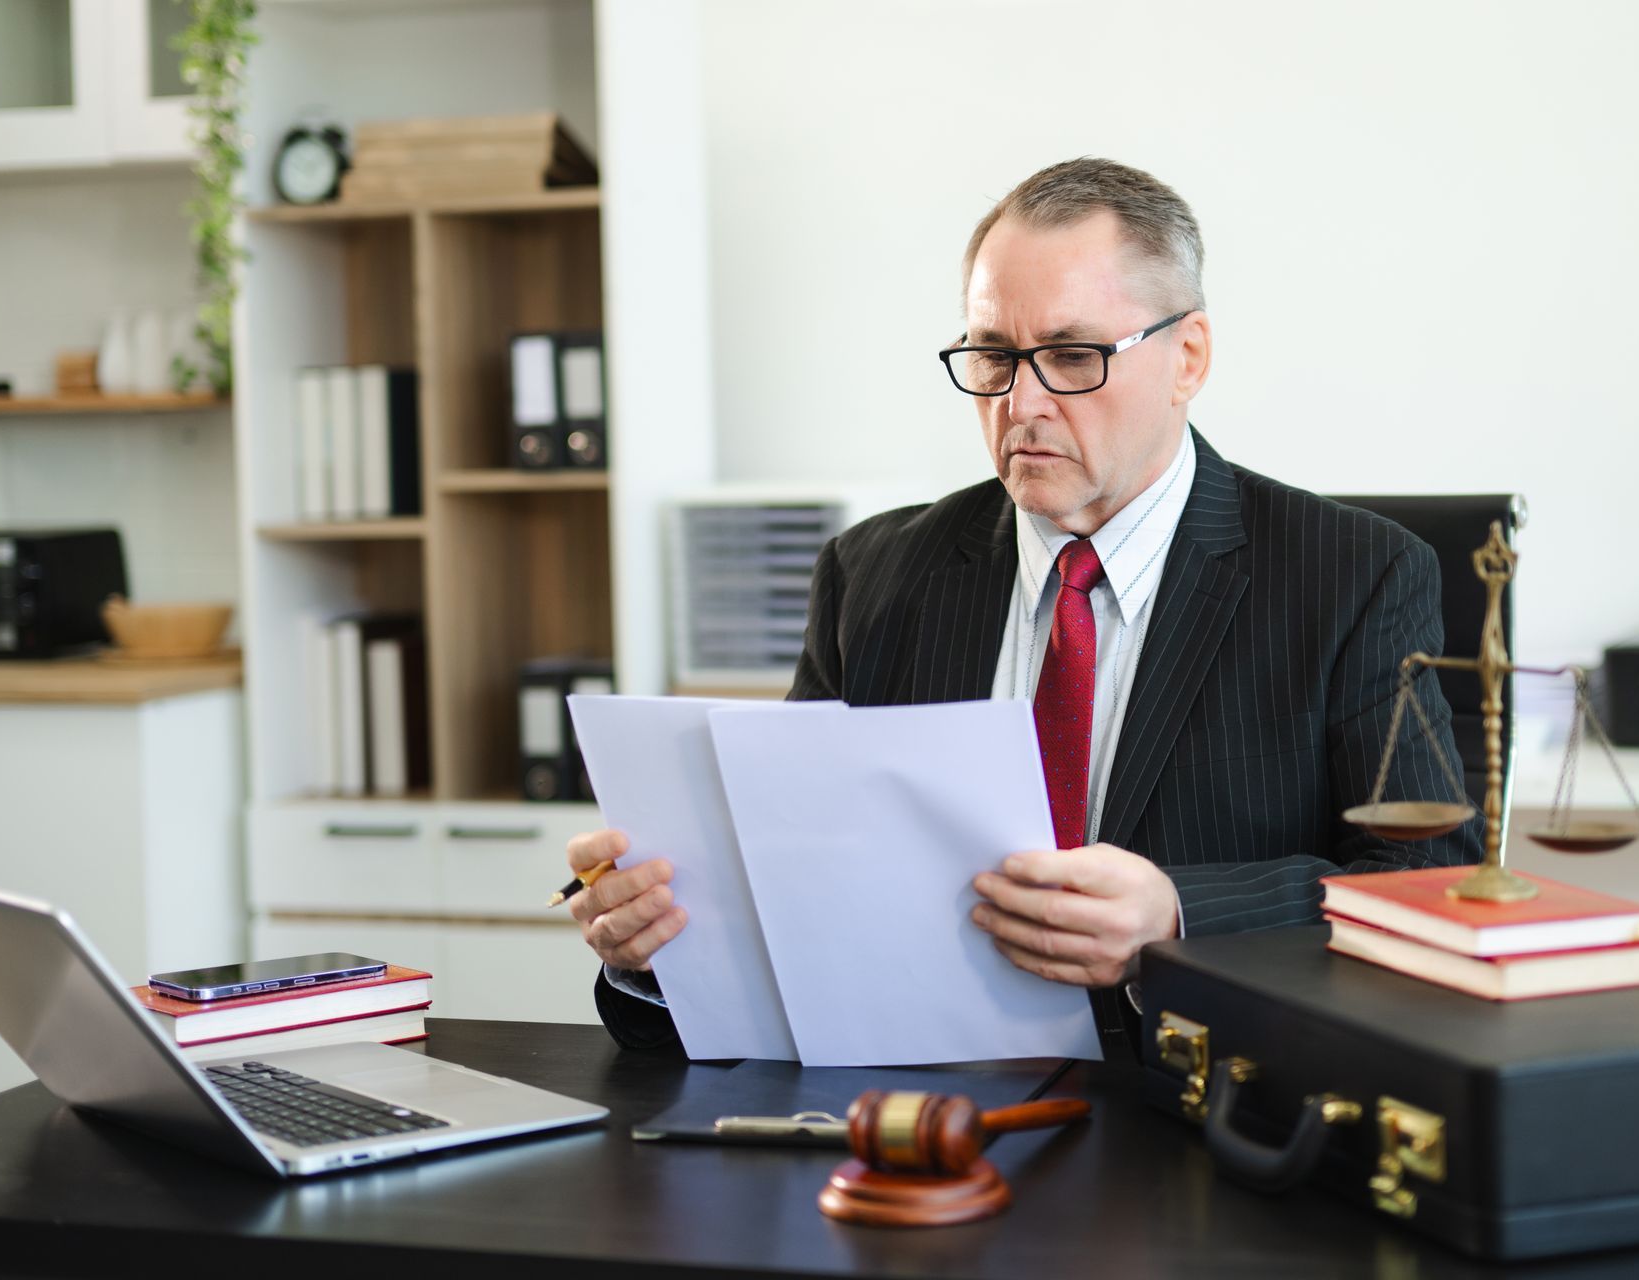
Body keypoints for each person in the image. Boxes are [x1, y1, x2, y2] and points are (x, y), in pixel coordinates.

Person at [568, 158, 1481, 1054]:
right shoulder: (873, 573)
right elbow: (799, 898)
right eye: (994, 356)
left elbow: (1430, 881)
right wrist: (656, 952)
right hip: (923, 1113)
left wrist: (1180, 913)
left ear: (1188, 357)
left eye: (1074, 355)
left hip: (1208, 1108)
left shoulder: (1354, 574)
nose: (1022, 403)